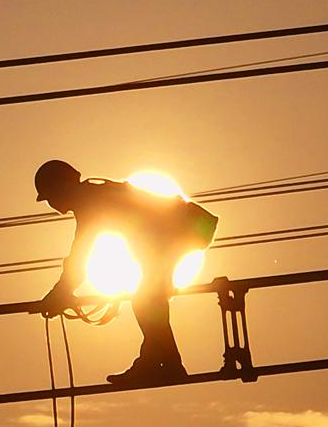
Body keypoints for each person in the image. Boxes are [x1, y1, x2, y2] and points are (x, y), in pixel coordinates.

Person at [35, 160, 218, 384]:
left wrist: (59, 293)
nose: (51, 203)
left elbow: (81, 255)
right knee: (149, 296)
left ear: (61, 188)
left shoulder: (90, 201)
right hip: (185, 228)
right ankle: (163, 362)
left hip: (184, 229)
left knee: (146, 298)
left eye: (49, 196)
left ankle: (163, 363)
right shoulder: (94, 195)